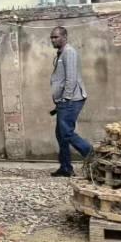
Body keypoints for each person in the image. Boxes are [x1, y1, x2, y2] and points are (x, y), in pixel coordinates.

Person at [49, 26, 92, 177]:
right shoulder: (61, 53)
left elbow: (71, 78)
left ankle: (91, 153)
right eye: (52, 38)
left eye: (56, 37)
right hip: (64, 100)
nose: (53, 40)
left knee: (66, 132)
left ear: (64, 37)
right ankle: (66, 167)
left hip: (71, 99)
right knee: (61, 134)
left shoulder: (69, 52)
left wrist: (65, 98)